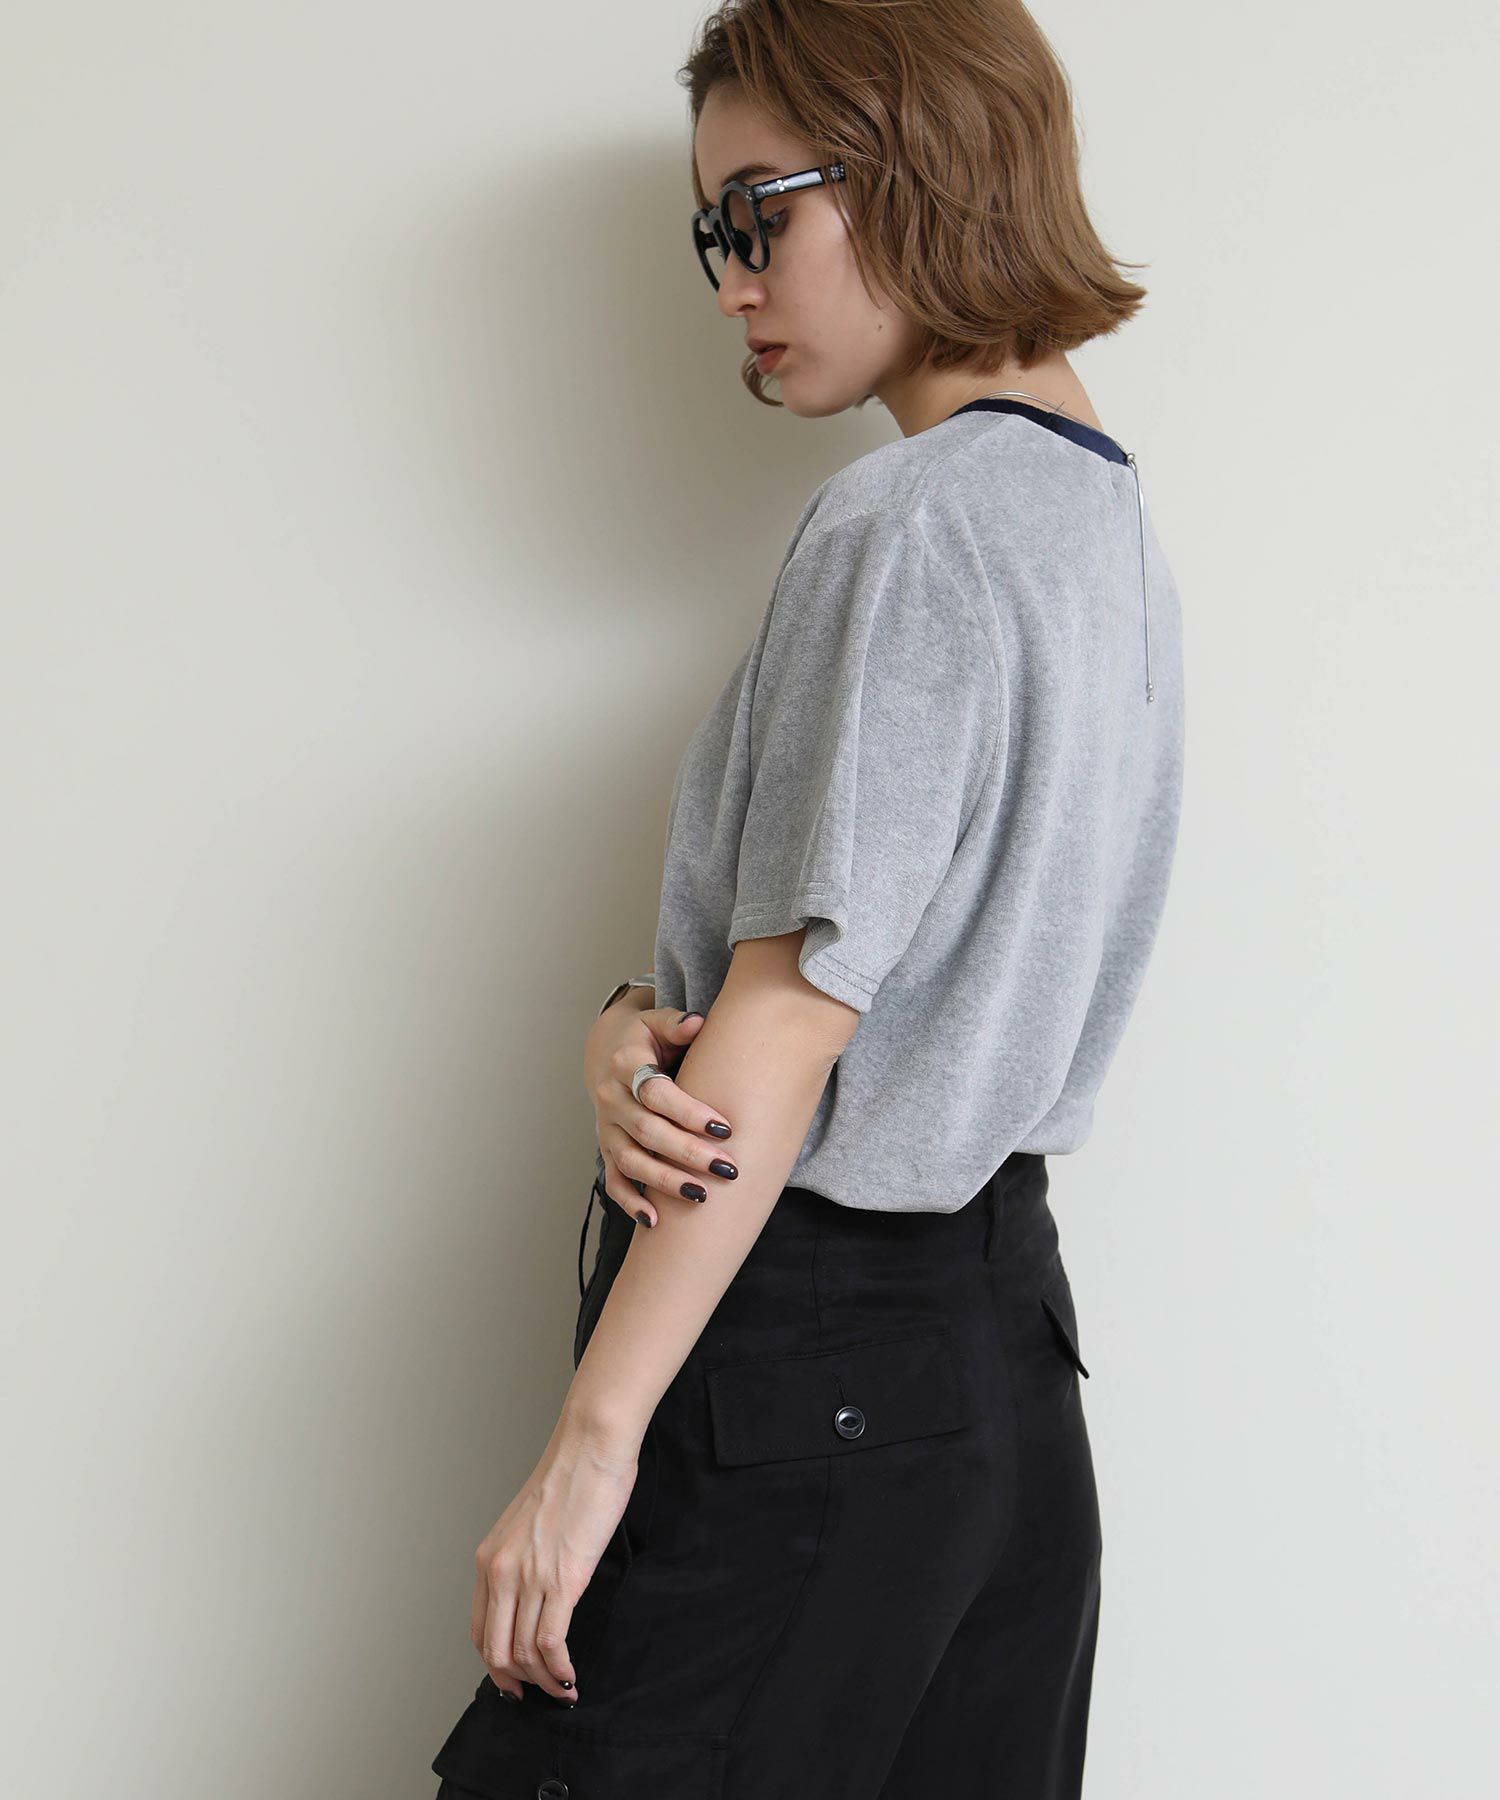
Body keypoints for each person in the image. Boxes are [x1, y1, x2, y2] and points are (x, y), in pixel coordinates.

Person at [431, 1, 1184, 1794]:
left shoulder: (910, 524)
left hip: (811, 1360)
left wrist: (591, 1448)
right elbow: (895, 964)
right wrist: (637, 1024)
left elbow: (795, 1020)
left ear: (921, 162)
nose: (733, 281)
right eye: (715, 230)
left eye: (761, 210)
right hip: (1004, 1374)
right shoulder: (1105, 522)